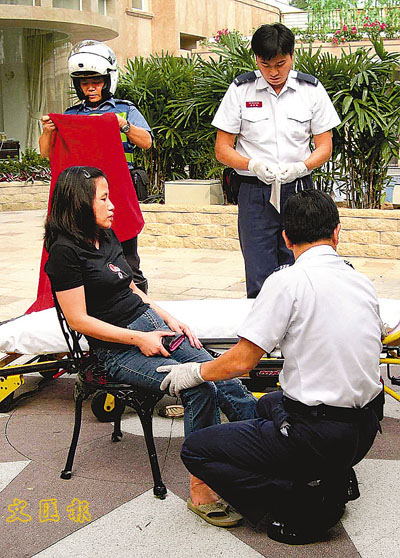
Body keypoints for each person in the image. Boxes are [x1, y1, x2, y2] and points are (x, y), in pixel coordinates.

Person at [158, 190, 384, 544]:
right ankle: (325, 470)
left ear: (286, 237)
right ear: (337, 232)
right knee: (266, 404)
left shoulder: (287, 281)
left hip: (318, 437)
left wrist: (192, 372)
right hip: (364, 430)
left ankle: (303, 496)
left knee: (196, 450)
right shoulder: (361, 281)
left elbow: (243, 360)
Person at [44, 165, 257, 525]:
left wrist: (168, 317)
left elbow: (130, 288)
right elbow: (78, 320)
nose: (112, 205)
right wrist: (138, 338)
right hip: (116, 349)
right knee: (198, 387)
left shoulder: (105, 236)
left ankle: (266, 447)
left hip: (150, 326)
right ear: (80, 204)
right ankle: (201, 488)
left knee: (221, 375)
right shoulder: (65, 253)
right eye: (103, 198)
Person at [212, 23, 341, 298]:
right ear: (256, 59)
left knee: (301, 267)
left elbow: (325, 146)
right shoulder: (241, 89)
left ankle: (300, 323)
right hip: (254, 192)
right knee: (259, 270)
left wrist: (302, 166)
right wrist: (253, 165)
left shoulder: (310, 89)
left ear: (292, 56)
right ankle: (261, 322)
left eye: (280, 64)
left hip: (299, 189)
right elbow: (222, 149)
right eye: (265, 64)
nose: (273, 72)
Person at [39, 40, 151, 293]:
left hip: (117, 195)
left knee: (127, 258)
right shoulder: (71, 115)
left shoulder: (125, 110)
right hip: (81, 198)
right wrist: (48, 131)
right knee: (84, 253)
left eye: (96, 82)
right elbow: (46, 152)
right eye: (84, 83)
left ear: (108, 80)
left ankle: (139, 302)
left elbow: (146, 142)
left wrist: (123, 125)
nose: (90, 88)